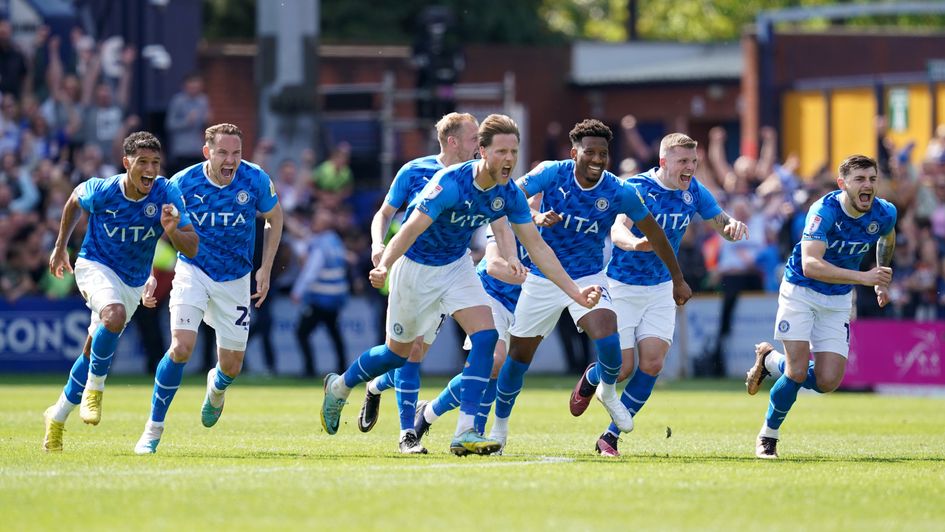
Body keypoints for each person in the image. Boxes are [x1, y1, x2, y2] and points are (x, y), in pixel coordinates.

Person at [320, 113, 601, 456]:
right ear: (481, 151)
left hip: (456, 267)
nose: (509, 159)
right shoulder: (449, 181)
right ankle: (340, 385)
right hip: (416, 270)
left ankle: (465, 431)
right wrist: (384, 265)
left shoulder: (507, 192)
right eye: (501, 152)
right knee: (397, 354)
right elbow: (408, 229)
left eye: (514, 151)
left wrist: (574, 291)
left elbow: (538, 247)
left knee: (486, 337)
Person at [491, 119, 690, 453]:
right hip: (543, 277)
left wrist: (678, 278)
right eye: (590, 152)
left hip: (588, 277)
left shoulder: (618, 190)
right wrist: (535, 216)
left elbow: (655, 232)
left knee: (609, 338)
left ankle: (607, 392)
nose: (598, 159)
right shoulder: (551, 173)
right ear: (574, 153)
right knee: (518, 358)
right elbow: (509, 195)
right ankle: (499, 430)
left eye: (604, 153)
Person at [568, 132, 750, 457]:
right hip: (622, 286)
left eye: (694, 162)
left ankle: (609, 438)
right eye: (683, 161)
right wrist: (634, 243)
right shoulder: (638, 188)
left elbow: (719, 220)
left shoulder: (693, 190)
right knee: (620, 369)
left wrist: (732, 227)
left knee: (652, 364)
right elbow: (618, 227)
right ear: (664, 162)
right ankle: (593, 377)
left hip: (660, 287)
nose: (690, 168)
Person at [42, 131, 198, 452]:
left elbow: (192, 246)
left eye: (156, 162)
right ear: (127, 163)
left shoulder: (167, 193)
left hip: (132, 281)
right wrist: (60, 248)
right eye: (143, 162)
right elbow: (74, 200)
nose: (151, 169)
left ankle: (56, 417)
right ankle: (96, 390)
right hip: (94, 265)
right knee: (114, 317)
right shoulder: (103, 190)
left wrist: (171, 231)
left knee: (91, 351)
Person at [133, 123, 284, 454]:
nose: (230, 160)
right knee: (181, 347)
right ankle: (153, 429)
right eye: (223, 153)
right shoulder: (182, 183)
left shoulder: (255, 178)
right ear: (207, 152)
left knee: (231, 366)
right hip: (193, 271)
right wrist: (147, 271)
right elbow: (154, 225)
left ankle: (216, 389)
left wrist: (266, 266)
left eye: (236, 153)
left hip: (235, 279)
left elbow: (273, 217)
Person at [745, 154, 896, 459]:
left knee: (828, 381)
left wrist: (880, 276)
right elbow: (811, 264)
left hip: (838, 298)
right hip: (801, 290)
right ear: (843, 184)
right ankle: (767, 437)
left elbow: (887, 239)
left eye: (872, 179)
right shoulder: (824, 210)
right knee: (798, 371)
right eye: (859, 179)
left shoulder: (884, 212)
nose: (867, 186)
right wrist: (865, 277)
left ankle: (770, 361)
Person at [355, 112, 479, 454]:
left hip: (452, 273)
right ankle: (407, 434)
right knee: (408, 354)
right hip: (412, 272)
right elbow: (384, 213)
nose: (479, 145)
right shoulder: (414, 171)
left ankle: (376, 387)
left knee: (413, 354)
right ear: (452, 141)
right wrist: (378, 245)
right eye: (474, 138)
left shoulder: (475, 175)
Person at [412, 227, 526, 453]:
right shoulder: (510, 211)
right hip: (490, 293)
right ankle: (473, 432)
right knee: (494, 360)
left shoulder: (561, 219)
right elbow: (493, 265)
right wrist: (540, 281)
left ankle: (429, 413)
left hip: (526, 304)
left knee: (501, 371)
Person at [292, 207, 350, 377]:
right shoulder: (335, 241)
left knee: (302, 333)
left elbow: (311, 271)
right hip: (336, 298)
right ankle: (343, 369)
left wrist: (298, 291)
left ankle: (309, 369)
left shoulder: (319, 244)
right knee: (335, 334)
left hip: (319, 298)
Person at [165, 72, 212, 171]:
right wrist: (187, 121)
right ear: (185, 86)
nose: (195, 90)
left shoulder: (203, 100)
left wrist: (207, 120)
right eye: (192, 87)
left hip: (197, 149)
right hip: (182, 150)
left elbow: (205, 126)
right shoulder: (178, 101)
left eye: (197, 87)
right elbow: (170, 124)